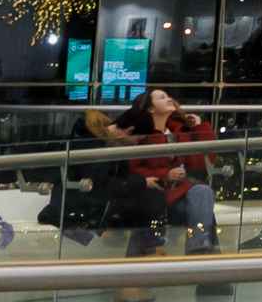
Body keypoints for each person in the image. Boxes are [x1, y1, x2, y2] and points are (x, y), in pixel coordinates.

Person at [90, 82, 218, 254]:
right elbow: (132, 169)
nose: (169, 99)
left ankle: (200, 248)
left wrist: (199, 127)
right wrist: (166, 174)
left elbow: (203, 161)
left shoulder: (178, 131)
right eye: (162, 97)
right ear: (151, 108)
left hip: (178, 192)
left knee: (202, 192)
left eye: (168, 96)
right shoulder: (140, 134)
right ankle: (199, 250)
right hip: (152, 192)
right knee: (191, 203)